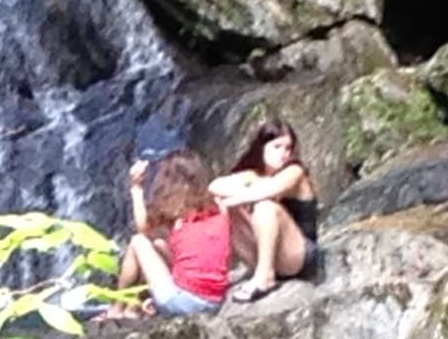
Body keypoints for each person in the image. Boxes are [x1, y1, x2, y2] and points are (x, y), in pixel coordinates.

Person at [115, 150, 231, 318]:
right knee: (159, 245)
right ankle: (134, 305)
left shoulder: (178, 215)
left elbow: (142, 228)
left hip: (184, 302)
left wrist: (136, 188)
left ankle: (117, 308)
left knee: (138, 242)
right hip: (214, 300)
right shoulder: (219, 206)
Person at [208, 121, 313, 302]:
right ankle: (247, 270)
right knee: (224, 204)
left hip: (298, 255)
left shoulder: (295, 171)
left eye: (288, 148)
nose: (284, 153)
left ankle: (265, 277)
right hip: (264, 256)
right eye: (277, 147)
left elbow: (270, 190)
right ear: (261, 147)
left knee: (265, 207)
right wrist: (238, 198)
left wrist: (238, 197)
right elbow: (215, 186)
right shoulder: (253, 175)